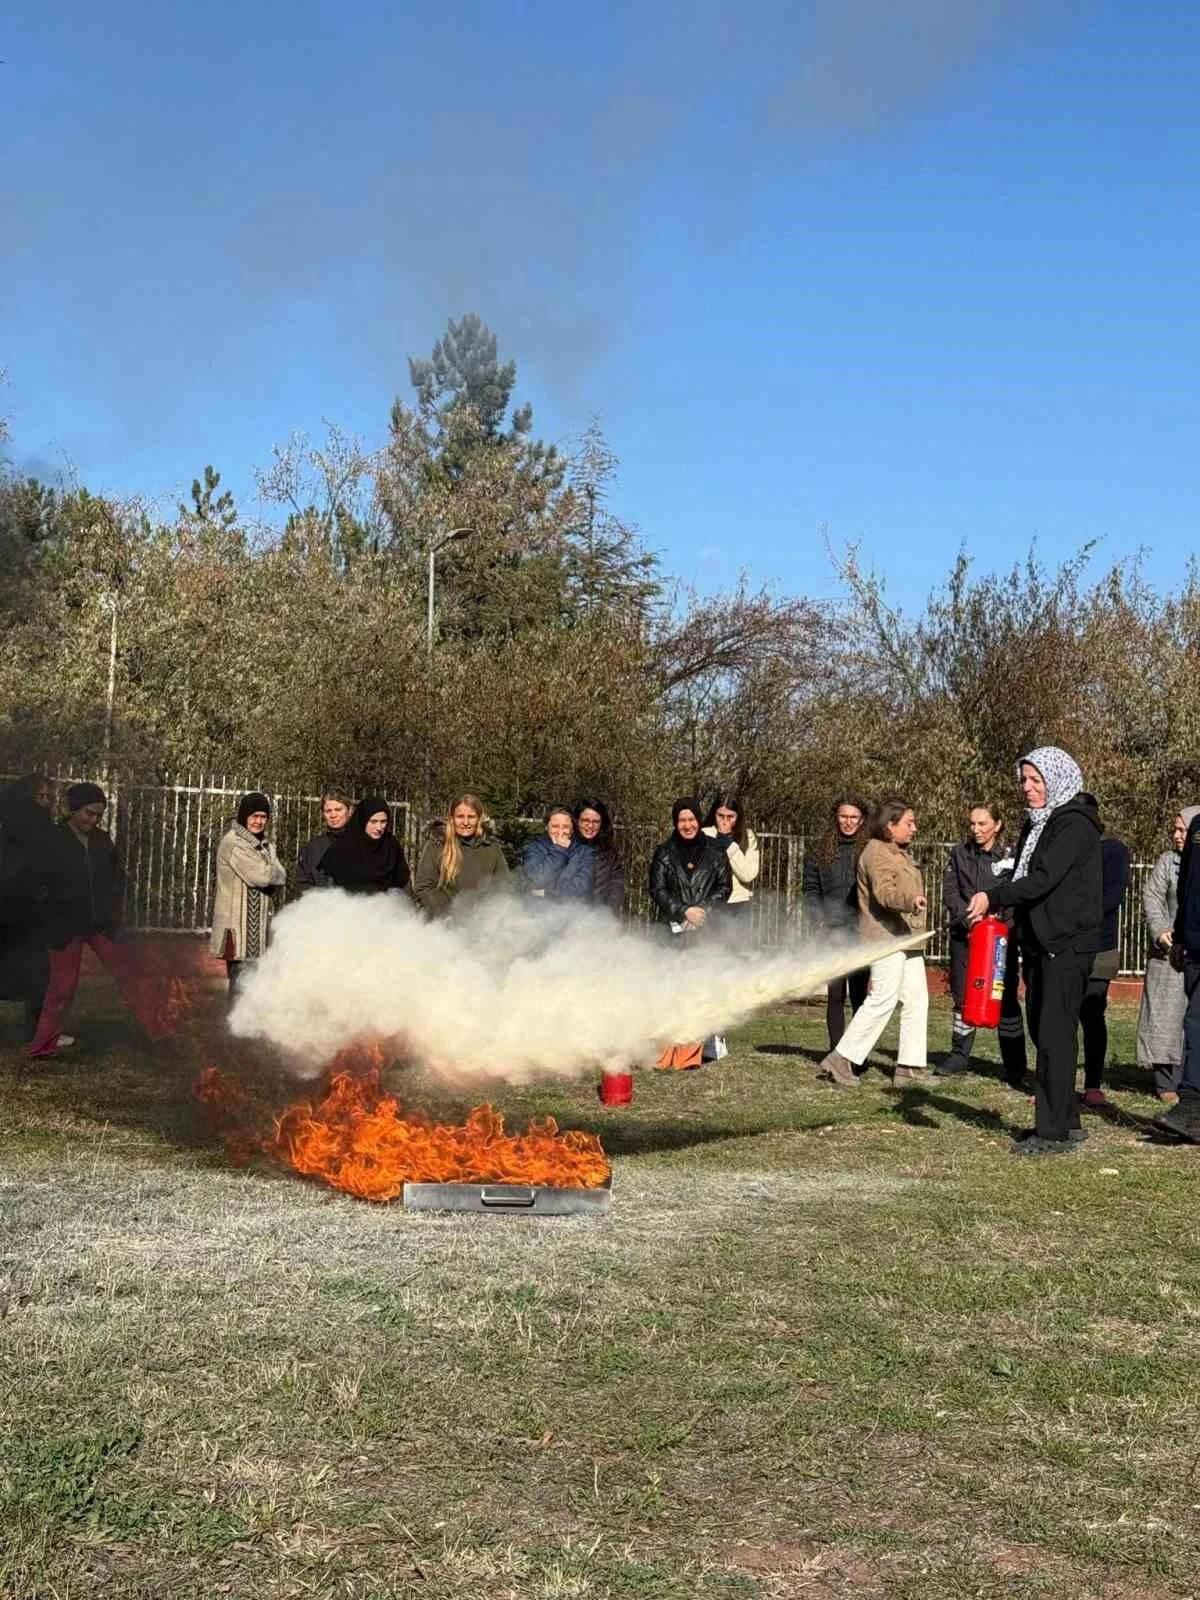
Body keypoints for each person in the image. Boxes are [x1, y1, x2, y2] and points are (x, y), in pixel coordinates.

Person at [965, 747, 1102, 1157]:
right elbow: (1023, 874)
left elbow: (1043, 878)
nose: (1027, 787)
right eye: (1024, 779)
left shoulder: (1072, 824)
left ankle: (1051, 1133)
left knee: (1054, 1037)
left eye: (1035, 780)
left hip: (1066, 943)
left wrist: (993, 896)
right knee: (1046, 1032)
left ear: (1056, 780)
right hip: (1041, 942)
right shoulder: (1038, 823)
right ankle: (1067, 1121)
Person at [25, 782, 170, 1059]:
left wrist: (114, 908)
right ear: (73, 809)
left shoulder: (103, 841)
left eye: (99, 815)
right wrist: (50, 912)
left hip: (101, 924)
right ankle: (41, 1047)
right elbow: (37, 883)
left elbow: (117, 879)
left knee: (130, 974)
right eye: (89, 813)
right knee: (62, 988)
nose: (93, 820)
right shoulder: (52, 839)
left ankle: (161, 1034)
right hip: (64, 927)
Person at [818, 799, 928, 1088]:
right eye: (909, 823)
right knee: (882, 999)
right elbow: (884, 893)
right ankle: (841, 1058)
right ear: (890, 826)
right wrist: (911, 901)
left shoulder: (899, 852)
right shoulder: (876, 852)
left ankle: (909, 1067)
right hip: (884, 938)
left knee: (917, 999)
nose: (914, 828)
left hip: (907, 938)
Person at [938, 802, 1027, 1086]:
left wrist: (997, 919)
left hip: (1000, 939)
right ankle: (958, 1055)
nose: (976, 830)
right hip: (965, 936)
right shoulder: (959, 853)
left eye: (982, 824)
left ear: (997, 825)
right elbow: (950, 891)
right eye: (972, 824)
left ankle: (1015, 1065)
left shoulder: (1011, 856)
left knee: (1005, 997)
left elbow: (1016, 891)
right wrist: (969, 917)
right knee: (962, 995)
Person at [1137, 809, 1198, 1104]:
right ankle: (1166, 1082)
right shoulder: (1168, 861)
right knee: (1165, 1016)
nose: (1176, 836)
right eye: (1175, 829)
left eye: (1183, 830)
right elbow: (1152, 895)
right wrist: (1161, 930)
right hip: (1170, 952)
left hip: (1196, 951)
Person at [1076, 795, 1131, 1108]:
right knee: (1061, 1015)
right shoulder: (1065, 849)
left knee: (1092, 1012)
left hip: (1099, 945)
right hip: (1067, 944)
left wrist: (1077, 915)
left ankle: (1093, 1083)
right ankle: (1055, 1081)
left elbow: (1113, 896)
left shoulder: (1113, 850)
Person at [803, 796, 871, 1051]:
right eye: (844, 816)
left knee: (860, 995)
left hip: (861, 930)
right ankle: (835, 1052)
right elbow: (810, 890)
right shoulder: (819, 851)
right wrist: (817, 918)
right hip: (831, 931)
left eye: (854, 817)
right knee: (836, 995)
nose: (848, 822)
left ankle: (857, 1053)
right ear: (836, 817)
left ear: (862, 820)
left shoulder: (870, 850)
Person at [208, 792, 287, 996]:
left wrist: (271, 869)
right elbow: (263, 877)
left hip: (255, 929)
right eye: (255, 816)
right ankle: (235, 1018)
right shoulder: (235, 842)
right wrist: (271, 857)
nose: (259, 822)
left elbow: (282, 877)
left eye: (263, 817)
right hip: (238, 930)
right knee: (241, 986)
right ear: (245, 816)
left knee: (254, 986)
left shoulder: (260, 844)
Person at [0, 774, 58, 1041]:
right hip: (17, 907)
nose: (45, 802)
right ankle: (35, 1029)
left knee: (36, 970)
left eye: (48, 797)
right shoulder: (23, 827)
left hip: (26, 909)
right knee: (32, 969)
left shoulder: (32, 826)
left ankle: (35, 1028)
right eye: (40, 796)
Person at [1156, 810, 1200, 1141]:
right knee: (1195, 1023)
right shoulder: (1197, 827)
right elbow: (1187, 884)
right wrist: (1181, 936)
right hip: (1195, 945)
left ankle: (1191, 1106)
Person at [412, 793, 511, 919]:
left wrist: (490, 913)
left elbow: (504, 886)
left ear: (479, 818)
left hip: (482, 921)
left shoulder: (491, 847)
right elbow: (424, 888)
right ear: (452, 818)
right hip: (445, 922)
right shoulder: (437, 845)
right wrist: (447, 914)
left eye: (471, 817)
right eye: (460, 817)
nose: (465, 822)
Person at [648, 797, 733, 935]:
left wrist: (702, 911)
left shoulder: (717, 850)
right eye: (682, 820)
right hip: (670, 932)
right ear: (675, 822)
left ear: (698, 820)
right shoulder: (663, 852)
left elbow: (725, 886)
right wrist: (684, 911)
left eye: (691, 819)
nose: (687, 826)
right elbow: (657, 889)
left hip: (709, 931)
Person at [321, 797, 411, 895]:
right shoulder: (343, 847)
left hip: (388, 902)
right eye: (373, 821)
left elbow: (403, 881)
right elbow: (328, 885)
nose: (379, 827)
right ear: (363, 820)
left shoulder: (391, 845)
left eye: (383, 821)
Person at [702, 791, 760, 935]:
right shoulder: (704, 834)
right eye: (720, 816)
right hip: (710, 904)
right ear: (714, 814)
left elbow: (748, 874)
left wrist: (729, 845)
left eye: (730, 817)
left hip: (739, 905)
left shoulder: (748, 837)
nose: (725, 821)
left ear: (738, 817)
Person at [521, 807, 594, 902]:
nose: (560, 831)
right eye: (555, 826)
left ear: (572, 830)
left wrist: (545, 893)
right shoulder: (534, 849)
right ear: (546, 827)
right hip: (538, 909)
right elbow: (536, 880)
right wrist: (559, 851)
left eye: (565, 827)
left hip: (573, 909)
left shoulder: (585, 853)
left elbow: (581, 889)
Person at [573, 796, 626, 915]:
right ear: (577, 821)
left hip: (599, 919)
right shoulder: (564, 849)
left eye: (595, 822)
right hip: (568, 917)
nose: (590, 826)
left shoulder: (610, 854)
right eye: (585, 820)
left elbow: (617, 887)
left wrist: (607, 914)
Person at [297, 790, 355, 892]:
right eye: (328, 811)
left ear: (349, 811)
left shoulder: (362, 844)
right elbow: (302, 883)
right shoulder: (313, 847)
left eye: (338, 809)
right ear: (323, 814)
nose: (333, 815)